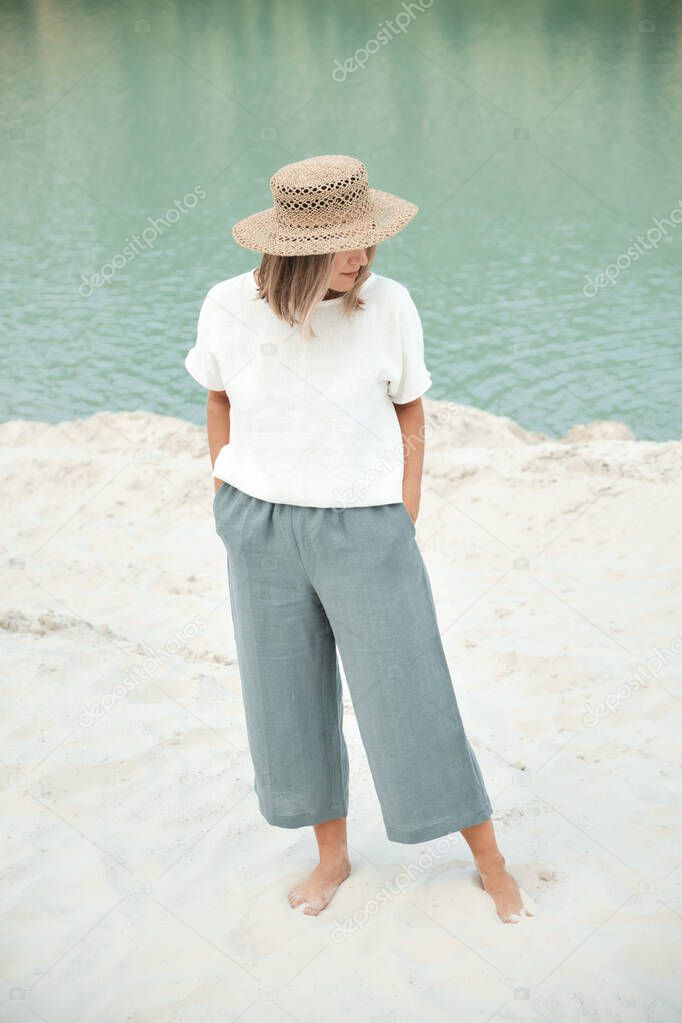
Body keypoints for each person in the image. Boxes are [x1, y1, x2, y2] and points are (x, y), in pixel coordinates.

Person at [184, 154, 530, 924]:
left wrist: (403, 508)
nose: (362, 255)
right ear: (294, 247)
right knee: (286, 702)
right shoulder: (225, 305)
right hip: (259, 526)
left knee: (413, 697)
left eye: (367, 239)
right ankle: (331, 856)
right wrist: (223, 489)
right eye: (346, 243)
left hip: (366, 528)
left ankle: (491, 860)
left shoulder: (390, 307)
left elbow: (411, 410)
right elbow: (217, 396)